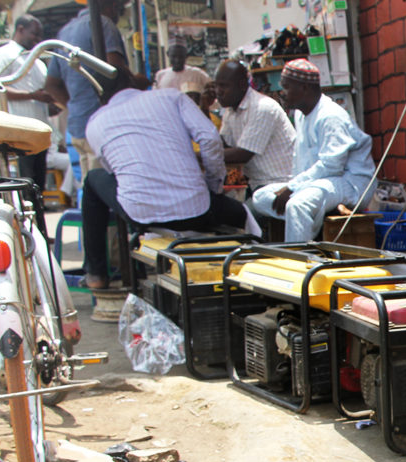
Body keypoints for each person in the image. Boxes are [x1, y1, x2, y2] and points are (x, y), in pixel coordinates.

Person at [80, 70, 248, 289]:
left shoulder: (95, 122)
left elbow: (113, 170)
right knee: (242, 213)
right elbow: (209, 138)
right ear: (134, 82)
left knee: (92, 180)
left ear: (100, 97)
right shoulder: (171, 97)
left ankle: (96, 274)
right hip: (197, 210)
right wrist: (213, 185)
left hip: (142, 216)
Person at [251, 59, 375, 242]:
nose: (282, 93)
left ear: (304, 88)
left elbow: (332, 166)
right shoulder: (301, 114)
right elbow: (300, 159)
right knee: (260, 197)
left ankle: (298, 258)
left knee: (297, 205)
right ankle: (309, 222)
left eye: (286, 87)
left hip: (351, 183)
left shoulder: (331, 116)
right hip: (320, 182)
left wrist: (293, 188)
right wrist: (293, 186)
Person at [44, 0, 131, 182]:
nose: (118, 14)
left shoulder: (65, 32)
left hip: (78, 125)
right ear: (110, 6)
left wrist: (75, 104)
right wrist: (138, 82)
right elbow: (116, 71)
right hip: (101, 126)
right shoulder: (103, 24)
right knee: (106, 189)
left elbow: (51, 84)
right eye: (118, 8)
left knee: (89, 189)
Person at [0, 15, 53, 190]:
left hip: (39, 136)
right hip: (17, 136)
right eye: (34, 34)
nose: (38, 39)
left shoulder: (37, 61)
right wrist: (32, 95)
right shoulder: (4, 54)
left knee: (38, 187)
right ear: (20, 29)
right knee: (23, 185)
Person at [213, 59, 294, 192]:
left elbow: (242, 154)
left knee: (235, 211)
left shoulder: (262, 107)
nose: (218, 92)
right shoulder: (231, 111)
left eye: (223, 86)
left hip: (280, 185)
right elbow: (223, 145)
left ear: (242, 85)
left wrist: (199, 156)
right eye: (216, 86)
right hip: (256, 184)